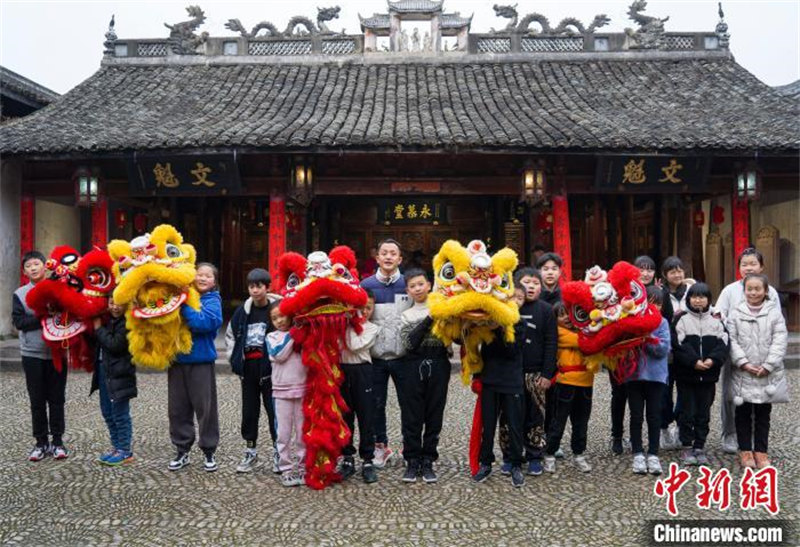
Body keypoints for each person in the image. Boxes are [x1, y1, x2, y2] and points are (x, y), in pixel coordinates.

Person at [714, 248, 779, 455]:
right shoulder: (729, 291)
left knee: (760, 396)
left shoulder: (771, 292)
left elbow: (776, 323)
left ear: (761, 267)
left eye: (753, 263)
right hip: (735, 351)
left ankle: (753, 437)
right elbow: (719, 316)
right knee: (732, 395)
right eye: (744, 264)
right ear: (739, 267)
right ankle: (730, 434)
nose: (749, 267)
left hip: (761, 353)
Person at [726, 273, 788, 469]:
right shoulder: (736, 312)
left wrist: (769, 364)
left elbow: (780, 339)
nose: (753, 292)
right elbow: (731, 339)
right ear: (744, 291)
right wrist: (742, 362)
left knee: (763, 414)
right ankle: (745, 451)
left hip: (766, 372)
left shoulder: (774, 313)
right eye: (749, 289)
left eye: (757, 289)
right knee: (742, 413)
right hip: (743, 372)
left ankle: (761, 451)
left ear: (765, 291)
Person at [499, 268, 556, 477]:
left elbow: (551, 343)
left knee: (535, 416)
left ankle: (534, 455)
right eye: (526, 282)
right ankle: (509, 456)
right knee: (508, 416)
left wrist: (548, 374)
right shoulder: (505, 308)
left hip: (535, 374)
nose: (531, 286)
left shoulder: (546, 310)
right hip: (509, 374)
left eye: (535, 283)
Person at [360, 238, 412, 467]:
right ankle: (380, 446)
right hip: (375, 357)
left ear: (400, 259)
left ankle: (410, 447)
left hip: (404, 357)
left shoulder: (409, 284)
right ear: (377, 257)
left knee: (409, 403)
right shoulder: (366, 285)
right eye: (384, 253)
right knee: (375, 404)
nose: (389, 257)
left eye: (393, 253)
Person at [13, 251, 68, 461]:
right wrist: (43, 314)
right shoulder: (20, 294)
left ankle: (58, 442)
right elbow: (20, 323)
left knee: (57, 399)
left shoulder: (58, 290)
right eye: (29, 266)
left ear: (45, 266)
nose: (33, 268)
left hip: (57, 352)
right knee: (37, 400)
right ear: (24, 271)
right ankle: (41, 443)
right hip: (32, 354)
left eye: (37, 264)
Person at [168, 262, 223, 472]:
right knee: (177, 409)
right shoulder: (180, 296)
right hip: (177, 361)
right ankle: (182, 450)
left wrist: (182, 306)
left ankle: (209, 451)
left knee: (205, 409)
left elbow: (204, 323)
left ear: (214, 282)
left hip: (201, 362)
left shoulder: (212, 300)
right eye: (199, 274)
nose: (202, 278)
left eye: (208, 276)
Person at [225, 268, 281, 474]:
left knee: (274, 411)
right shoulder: (243, 311)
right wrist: (234, 360)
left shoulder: (277, 309)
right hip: (248, 368)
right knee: (249, 411)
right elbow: (231, 335)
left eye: (259, 286)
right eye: (251, 286)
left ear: (267, 287)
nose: (255, 290)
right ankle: (250, 450)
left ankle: (279, 451)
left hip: (270, 369)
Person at [398, 269, 450, 484]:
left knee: (434, 414)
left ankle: (428, 459)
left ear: (429, 285)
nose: (418, 288)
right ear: (408, 291)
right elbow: (409, 343)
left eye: (421, 284)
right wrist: (430, 318)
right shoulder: (407, 315)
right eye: (413, 286)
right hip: (412, 367)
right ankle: (412, 460)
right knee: (412, 416)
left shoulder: (443, 310)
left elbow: (452, 339)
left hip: (438, 365)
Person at [673, 282, 729, 467]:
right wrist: (693, 361)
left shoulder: (716, 320)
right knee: (686, 412)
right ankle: (687, 445)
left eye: (702, 296)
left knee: (703, 412)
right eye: (694, 296)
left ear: (708, 299)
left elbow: (724, 344)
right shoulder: (681, 319)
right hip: (687, 376)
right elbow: (678, 345)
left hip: (708, 377)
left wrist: (712, 360)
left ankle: (699, 445)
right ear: (688, 299)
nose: (698, 300)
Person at [472, 315, 526, 488]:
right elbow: (477, 349)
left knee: (514, 425)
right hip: (490, 380)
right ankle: (486, 463)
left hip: (512, 381)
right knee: (487, 427)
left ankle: (516, 463)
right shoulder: (485, 319)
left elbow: (511, 350)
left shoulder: (519, 322)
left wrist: (499, 328)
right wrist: (476, 376)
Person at [544, 302, 598, 474]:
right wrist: (592, 339)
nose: (566, 318)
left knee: (581, 422)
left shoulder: (585, 332)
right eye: (561, 315)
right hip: (565, 383)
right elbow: (582, 342)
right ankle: (550, 453)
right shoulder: (558, 333)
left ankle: (579, 453)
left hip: (586, 383)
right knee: (558, 421)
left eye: (569, 313)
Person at [626, 286, 670, 475]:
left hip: (656, 377)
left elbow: (663, 350)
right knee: (636, 415)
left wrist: (647, 338)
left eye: (658, 303)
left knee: (654, 415)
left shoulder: (663, 323)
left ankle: (653, 453)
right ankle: (637, 452)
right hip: (634, 376)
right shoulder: (630, 321)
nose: (653, 306)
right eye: (649, 302)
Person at [339, 289, 380, 484]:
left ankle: (368, 459)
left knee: (366, 417)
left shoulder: (372, 328)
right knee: (345, 417)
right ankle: (347, 457)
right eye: (359, 308)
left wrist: (353, 320)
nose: (363, 312)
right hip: (342, 371)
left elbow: (354, 345)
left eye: (368, 308)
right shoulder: (342, 325)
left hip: (363, 372)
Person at [91, 299, 137, 466]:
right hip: (105, 370)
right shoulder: (107, 320)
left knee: (120, 414)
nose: (115, 307)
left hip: (120, 374)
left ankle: (125, 450)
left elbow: (115, 345)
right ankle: (116, 447)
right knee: (107, 412)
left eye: (119, 303)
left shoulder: (127, 323)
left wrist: (97, 328)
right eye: (111, 303)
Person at [267, 302, 308, 487]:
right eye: (274, 318)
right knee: (283, 433)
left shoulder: (301, 335)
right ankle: (286, 468)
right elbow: (280, 354)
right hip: (281, 392)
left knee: (302, 433)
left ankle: (303, 467)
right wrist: (294, 333)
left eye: (282, 316)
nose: (279, 321)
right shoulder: (272, 337)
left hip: (302, 389)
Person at [659, 256, 694, 452]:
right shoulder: (660, 294)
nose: (677, 274)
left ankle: (681, 427)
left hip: (685, 351)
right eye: (672, 271)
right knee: (664, 393)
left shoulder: (691, 291)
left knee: (685, 392)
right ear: (665, 275)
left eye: (680, 270)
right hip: (665, 353)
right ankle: (664, 427)